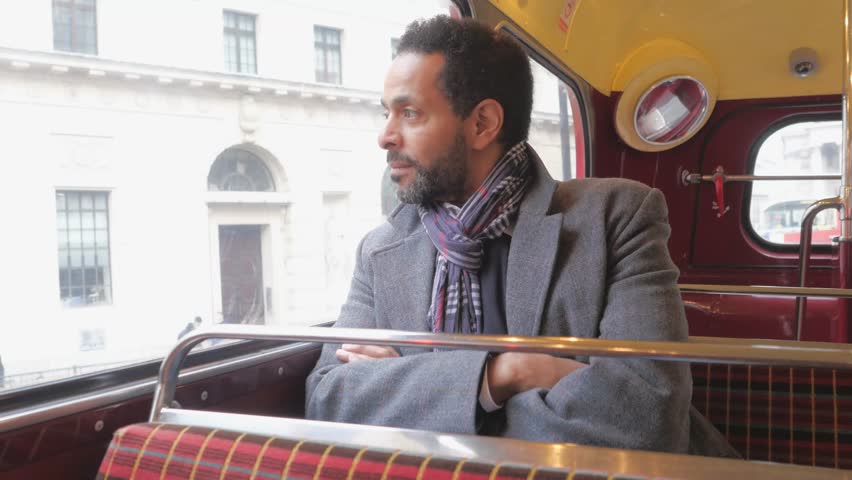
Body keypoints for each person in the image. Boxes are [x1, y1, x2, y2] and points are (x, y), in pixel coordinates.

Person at [306, 16, 737, 457]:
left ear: (482, 124)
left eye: (410, 113)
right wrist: (505, 374)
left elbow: (645, 418)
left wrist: (421, 393)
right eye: (386, 113)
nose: (384, 136)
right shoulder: (382, 249)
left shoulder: (617, 218)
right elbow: (330, 398)